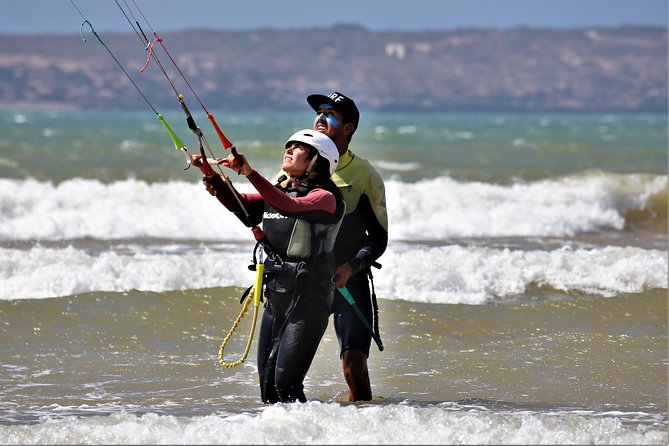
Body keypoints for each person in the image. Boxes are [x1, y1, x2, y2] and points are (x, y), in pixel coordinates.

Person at [192, 129, 345, 403]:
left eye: (299, 148)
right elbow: (243, 206)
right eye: (289, 145)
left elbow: (288, 205)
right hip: (276, 297)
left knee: (285, 384)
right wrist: (214, 179)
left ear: (317, 160)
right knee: (268, 389)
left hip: (308, 303)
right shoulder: (281, 191)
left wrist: (250, 172)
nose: (289, 150)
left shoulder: (326, 197)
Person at [306, 91, 389, 401]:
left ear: (348, 128)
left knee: (354, 366)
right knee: (283, 369)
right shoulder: (297, 167)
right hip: (305, 281)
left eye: (331, 113)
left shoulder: (365, 175)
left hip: (347, 282)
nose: (320, 117)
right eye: (319, 111)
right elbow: (269, 212)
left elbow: (378, 239)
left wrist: (350, 267)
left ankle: (366, 426)